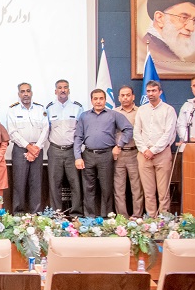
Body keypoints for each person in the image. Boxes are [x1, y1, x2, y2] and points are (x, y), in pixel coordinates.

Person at [74, 89, 133, 218]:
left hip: (106, 155)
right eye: (95, 98)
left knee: (106, 188)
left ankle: (106, 217)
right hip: (88, 155)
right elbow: (78, 137)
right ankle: (89, 217)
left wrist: (119, 145)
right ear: (91, 101)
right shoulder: (84, 116)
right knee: (88, 188)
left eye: (101, 98)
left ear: (105, 100)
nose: (98, 101)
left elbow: (128, 129)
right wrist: (78, 157)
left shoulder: (113, 115)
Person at [139, 0, 195, 75]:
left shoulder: (170, 52)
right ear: (160, 18)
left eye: (194, 20)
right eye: (184, 18)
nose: (191, 28)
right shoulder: (151, 52)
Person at [134, 80, 177, 215]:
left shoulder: (168, 110)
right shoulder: (141, 110)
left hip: (162, 154)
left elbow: (168, 133)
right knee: (148, 191)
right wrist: (144, 150)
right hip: (144, 154)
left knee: (163, 191)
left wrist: (153, 150)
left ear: (160, 92)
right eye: (148, 91)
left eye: (154, 91)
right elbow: (136, 132)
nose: (151, 93)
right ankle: (151, 219)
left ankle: (164, 219)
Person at [6, 82, 48, 214]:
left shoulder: (40, 109)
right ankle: (18, 214)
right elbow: (12, 132)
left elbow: (46, 129)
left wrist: (36, 148)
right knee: (19, 183)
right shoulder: (12, 110)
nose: (26, 94)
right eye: (23, 91)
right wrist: (28, 146)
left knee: (36, 183)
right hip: (20, 150)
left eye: (28, 91)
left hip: (37, 150)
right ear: (19, 94)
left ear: (32, 93)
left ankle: (35, 214)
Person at [46, 79, 83, 215]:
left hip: (72, 151)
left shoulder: (77, 108)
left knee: (75, 183)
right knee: (54, 183)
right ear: (55, 91)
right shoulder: (49, 108)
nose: (63, 90)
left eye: (65, 87)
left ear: (69, 90)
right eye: (60, 88)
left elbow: (80, 131)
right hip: (55, 150)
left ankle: (76, 213)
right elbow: (46, 130)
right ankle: (56, 213)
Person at [114, 86, 145, 217]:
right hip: (118, 155)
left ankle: (137, 216)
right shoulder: (113, 112)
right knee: (119, 189)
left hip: (135, 153)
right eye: (122, 95)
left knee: (137, 188)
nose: (125, 98)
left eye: (128, 95)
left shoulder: (140, 112)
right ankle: (122, 217)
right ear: (118, 98)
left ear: (133, 97)